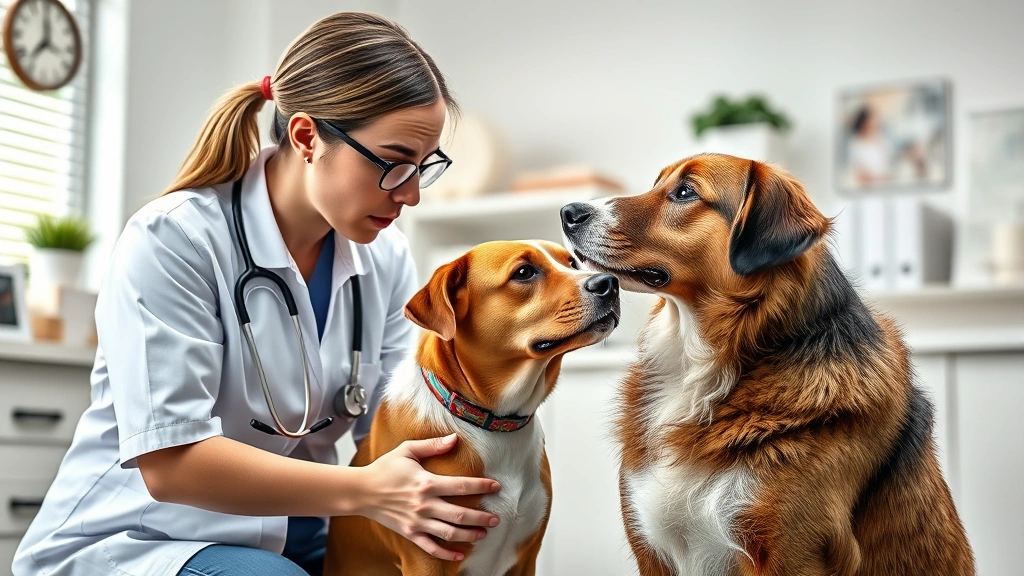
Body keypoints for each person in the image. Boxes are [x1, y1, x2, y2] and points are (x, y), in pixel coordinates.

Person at [14, 12, 502, 576]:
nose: (411, 195)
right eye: (393, 164)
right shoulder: (175, 238)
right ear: (306, 137)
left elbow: (396, 424)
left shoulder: (384, 257)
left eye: (423, 167)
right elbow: (171, 465)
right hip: (144, 538)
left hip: (295, 534)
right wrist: (370, 490)